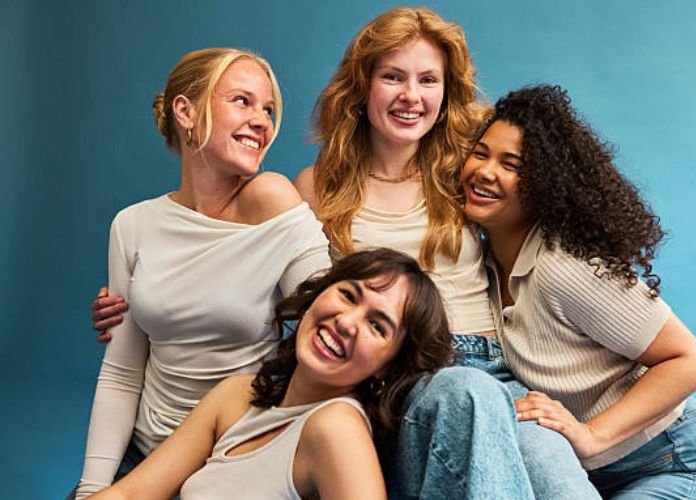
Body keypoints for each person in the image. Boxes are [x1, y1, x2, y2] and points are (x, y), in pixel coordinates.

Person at [90, 9, 598, 500]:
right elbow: (303, 295)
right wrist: (151, 299)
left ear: (446, 94)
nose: (411, 96)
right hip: (389, 371)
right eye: (393, 77)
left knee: (549, 463)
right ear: (363, 88)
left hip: (481, 365)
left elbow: (532, 251)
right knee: (466, 394)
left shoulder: (464, 173)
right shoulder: (315, 189)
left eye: (428, 81)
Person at [74, 47, 331, 498]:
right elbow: (122, 372)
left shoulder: (272, 200)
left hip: (234, 460)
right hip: (144, 457)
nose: (262, 121)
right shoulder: (133, 225)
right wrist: (91, 487)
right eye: (242, 101)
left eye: (269, 109)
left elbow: (327, 311)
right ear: (185, 112)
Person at [462, 85, 696, 498]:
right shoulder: (479, 264)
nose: (485, 171)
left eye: (512, 164)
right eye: (481, 153)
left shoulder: (566, 267)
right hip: (594, 480)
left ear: (545, 185)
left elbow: (690, 361)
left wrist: (590, 435)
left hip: (678, 465)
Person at [88, 249, 454, 499]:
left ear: (387, 366)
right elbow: (131, 492)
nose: (346, 322)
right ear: (320, 293)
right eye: (348, 295)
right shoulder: (237, 396)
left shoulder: (336, 427)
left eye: (377, 326)